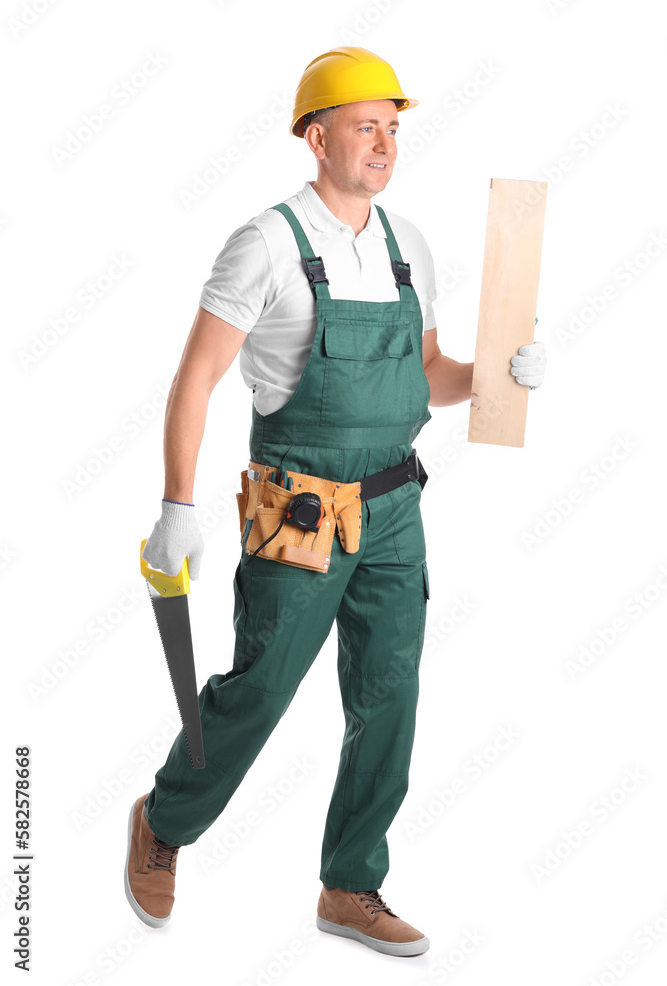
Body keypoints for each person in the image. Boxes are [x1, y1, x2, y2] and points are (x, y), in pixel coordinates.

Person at [124, 46, 547, 958]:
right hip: (299, 510)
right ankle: (163, 819)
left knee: (387, 696)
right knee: (262, 687)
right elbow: (195, 381)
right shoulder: (267, 243)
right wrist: (177, 505)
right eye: (367, 127)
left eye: (393, 129)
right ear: (317, 138)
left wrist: (496, 377)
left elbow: (428, 375)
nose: (385, 144)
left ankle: (350, 885)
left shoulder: (408, 246)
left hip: (395, 507)